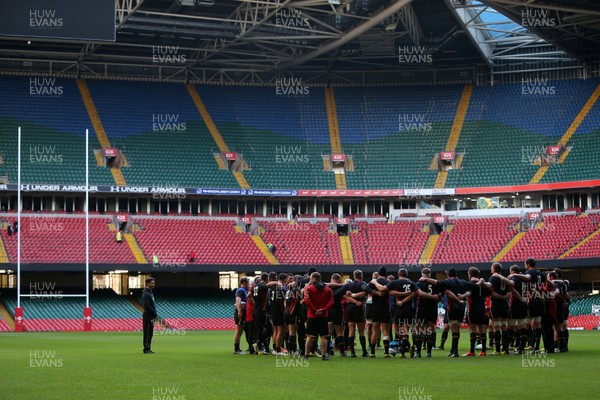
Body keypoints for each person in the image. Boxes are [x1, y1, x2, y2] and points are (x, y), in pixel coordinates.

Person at [335, 269, 369, 357]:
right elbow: (366, 292)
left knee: (351, 330)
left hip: (349, 309)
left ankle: (352, 352)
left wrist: (351, 297)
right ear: (361, 276)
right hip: (359, 309)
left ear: (354, 276)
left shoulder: (348, 285)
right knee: (361, 331)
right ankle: (364, 352)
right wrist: (356, 300)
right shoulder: (363, 284)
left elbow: (338, 293)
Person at [460, 267, 491, 356]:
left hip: (472, 308)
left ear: (469, 274)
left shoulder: (471, 283)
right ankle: (484, 351)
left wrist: (462, 296)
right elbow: (489, 292)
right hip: (482, 309)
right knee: (482, 329)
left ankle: (472, 351)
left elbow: (469, 292)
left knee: (472, 329)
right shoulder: (484, 285)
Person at [303, 272, 334, 361]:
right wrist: (323, 310)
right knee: (324, 336)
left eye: (311, 278)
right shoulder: (328, 289)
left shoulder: (309, 288)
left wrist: (314, 310)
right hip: (323, 316)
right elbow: (331, 302)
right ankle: (324, 355)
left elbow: (307, 300)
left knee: (309, 336)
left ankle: (306, 355)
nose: (310, 280)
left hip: (312, 316)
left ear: (314, 279)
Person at [488, 262, 514, 355]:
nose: (491, 269)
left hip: (496, 305)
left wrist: (502, 297)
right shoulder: (504, 279)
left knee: (496, 327)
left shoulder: (492, 278)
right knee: (504, 327)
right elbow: (510, 290)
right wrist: (505, 297)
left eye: (491, 267)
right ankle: (505, 349)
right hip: (505, 305)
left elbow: (492, 294)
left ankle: (498, 350)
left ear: (494, 268)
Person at [233, 277, 249, 355]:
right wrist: (239, 311)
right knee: (239, 331)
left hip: (242, 312)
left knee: (239, 331)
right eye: (248, 283)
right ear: (245, 283)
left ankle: (237, 348)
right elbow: (238, 300)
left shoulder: (244, 291)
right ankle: (236, 349)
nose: (249, 284)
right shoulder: (241, 290)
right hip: (241, 312)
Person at [141, 277, 157, 354]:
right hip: (147, 316)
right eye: (152, 283)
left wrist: (154, 315)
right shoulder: (145, 294)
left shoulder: (150, 293)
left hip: (151, 316)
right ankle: (146, 348)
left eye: (154, 283)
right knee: (147, 333)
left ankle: (149, 348)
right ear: (147, 283)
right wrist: (154, 314)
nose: (154, 284)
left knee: (150, 333)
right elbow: (147, 306)